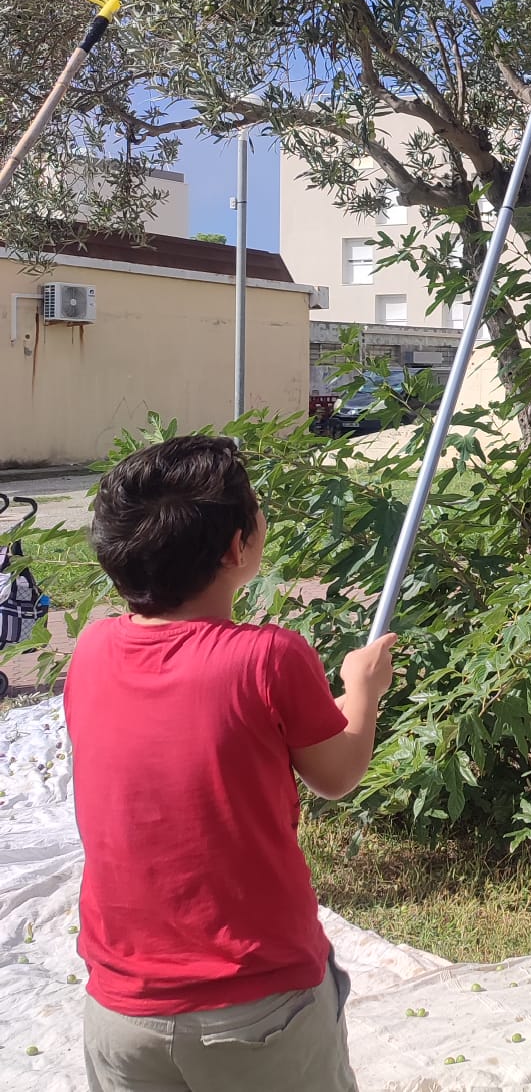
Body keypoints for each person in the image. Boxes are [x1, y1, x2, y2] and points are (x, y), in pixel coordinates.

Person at [65, 436, 397, 1092]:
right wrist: (363, 689)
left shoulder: (93, 651)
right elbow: (336, 773)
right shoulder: (270, 658)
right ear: (237, 548)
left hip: (120, 1013)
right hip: (256, 1009)